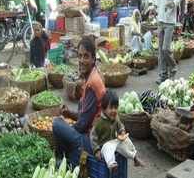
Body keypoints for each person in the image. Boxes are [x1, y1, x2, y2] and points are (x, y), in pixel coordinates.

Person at [52, 37, 106, 166]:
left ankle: (61, 162)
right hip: (92, 133)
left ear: (93, 58)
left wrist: (68, 128)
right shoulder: (93, 75)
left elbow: (82, 125)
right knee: (63, 123)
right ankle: (65, 158)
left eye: (86, 56)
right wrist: (69, 114)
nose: (81, 60)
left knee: (57, 124)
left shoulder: (93, 83)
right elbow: (86, 116)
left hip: (92, 141)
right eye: (80, 56)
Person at [91, 90, 144, 170]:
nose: (114, 110)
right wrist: (96, 150)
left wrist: (122, 132)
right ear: (103, 109)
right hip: (104, 146)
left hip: (114, 142)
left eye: (115, 108)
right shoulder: (99, 122)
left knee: (126, 141)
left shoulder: (116, 118)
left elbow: (120, 126)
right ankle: (111, 164)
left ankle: (135, 158)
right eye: (111, 108)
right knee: (108, 147)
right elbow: (93, 137)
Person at [154, 0, 182, 84]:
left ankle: (173, 66)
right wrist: (154, 9)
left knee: (166, 48)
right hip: (160, 17)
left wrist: (174, 3)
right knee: (160, 50)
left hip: (170, 20)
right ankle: (163, 75)